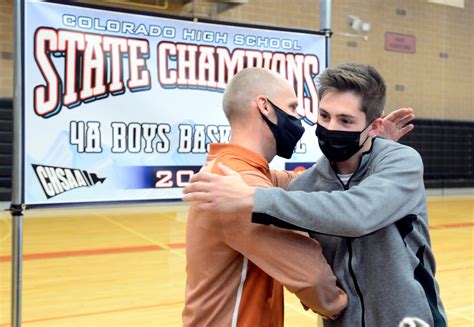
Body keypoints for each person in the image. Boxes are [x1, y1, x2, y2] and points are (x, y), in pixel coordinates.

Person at [183, 63, 447, 326]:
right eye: (323, 116)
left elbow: (358, 212)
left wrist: (254, 197)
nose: (330, 127)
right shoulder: (301, 185)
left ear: (373, 126)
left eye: (345, 120)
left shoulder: (403, 162)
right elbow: (293, 186)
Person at [182, 67, 348, 326]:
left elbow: (301, 183)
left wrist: (360, 158)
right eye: (292, 108)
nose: (298, 119)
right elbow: (312, 276)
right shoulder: (239, 186)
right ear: (265, 107)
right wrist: (342, 304)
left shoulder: (240, 171)